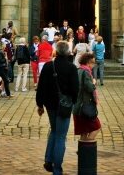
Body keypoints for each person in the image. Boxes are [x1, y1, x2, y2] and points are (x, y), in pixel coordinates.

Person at [36, 40, 79, 175]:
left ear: (56, 51)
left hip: (50, 105)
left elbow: (41, 86)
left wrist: (40, 104)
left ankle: (49, 159)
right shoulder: (71, 67)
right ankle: (57, 169)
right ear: (67, 52)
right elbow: (75, 89)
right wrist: (73, 102)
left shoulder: (48, 66)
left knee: (54, 130)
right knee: (61, 135)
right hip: (64, 106)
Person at [73, 52, 101, 142]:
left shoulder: (78, 70)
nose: (93, 65)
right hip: (85, 107)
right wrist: (93, 82)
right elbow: (89, 87)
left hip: (78, 107)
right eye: (93, 63)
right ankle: (87, 149)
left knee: (84, 132)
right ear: (88, 62)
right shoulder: (86, 72)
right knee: (96, 127)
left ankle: (82, 152)